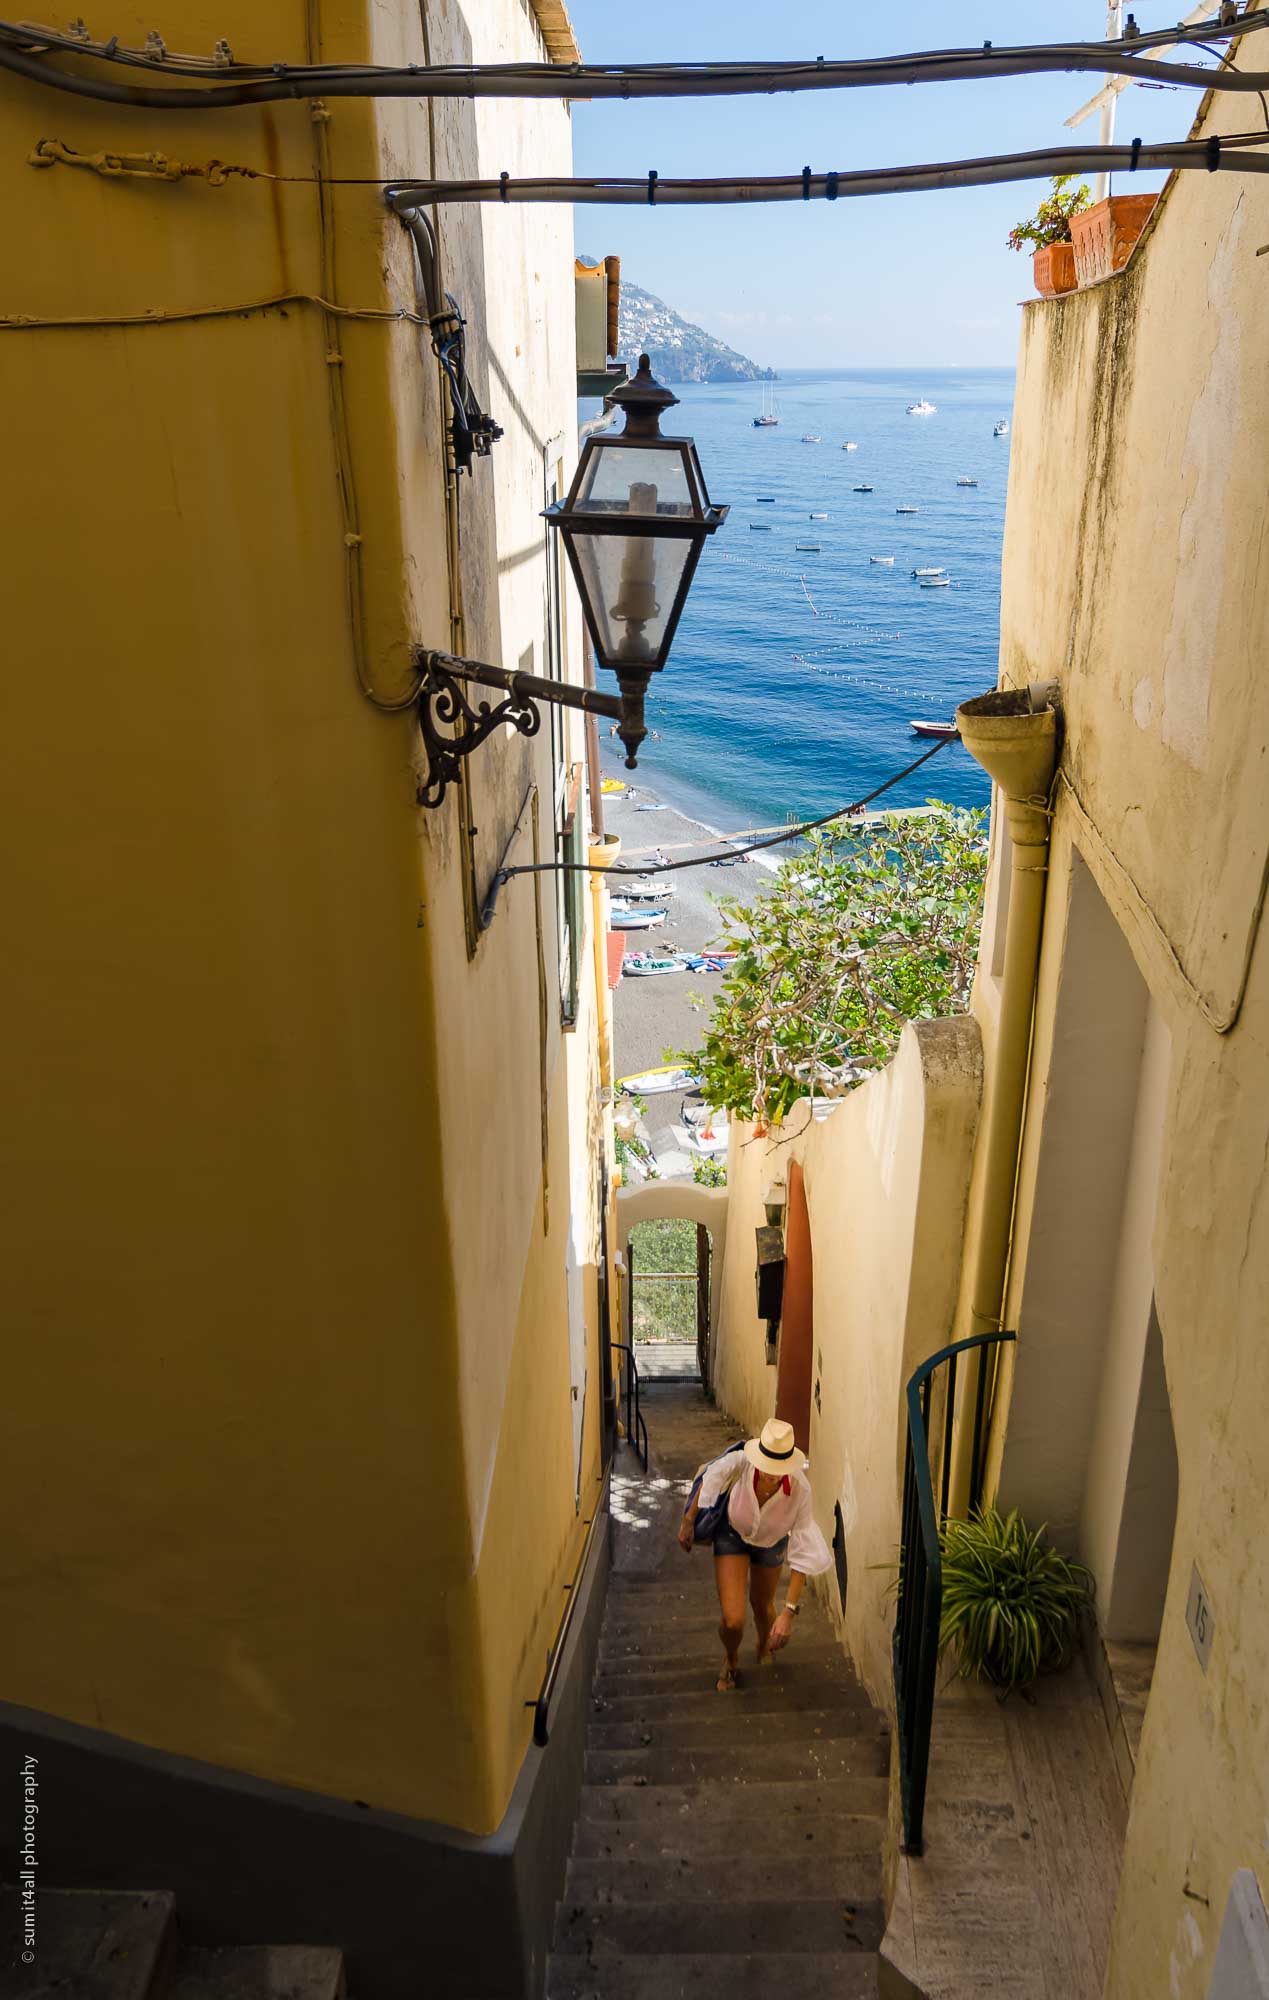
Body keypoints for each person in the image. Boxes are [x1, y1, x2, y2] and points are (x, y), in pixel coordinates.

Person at [678, 1416, 832, 1691]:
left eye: (778, 1468)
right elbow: (711, 1478)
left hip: (771, 1543)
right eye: (767, 1465)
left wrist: (789, 1613)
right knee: (733, 1619)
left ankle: (763, 1646)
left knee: (763, 1607)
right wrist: (689, 1521)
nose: (771, 1474)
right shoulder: (741, 1462)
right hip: (732, 1535)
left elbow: (803, 1554)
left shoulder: (800, 1491)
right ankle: (731, 1655)